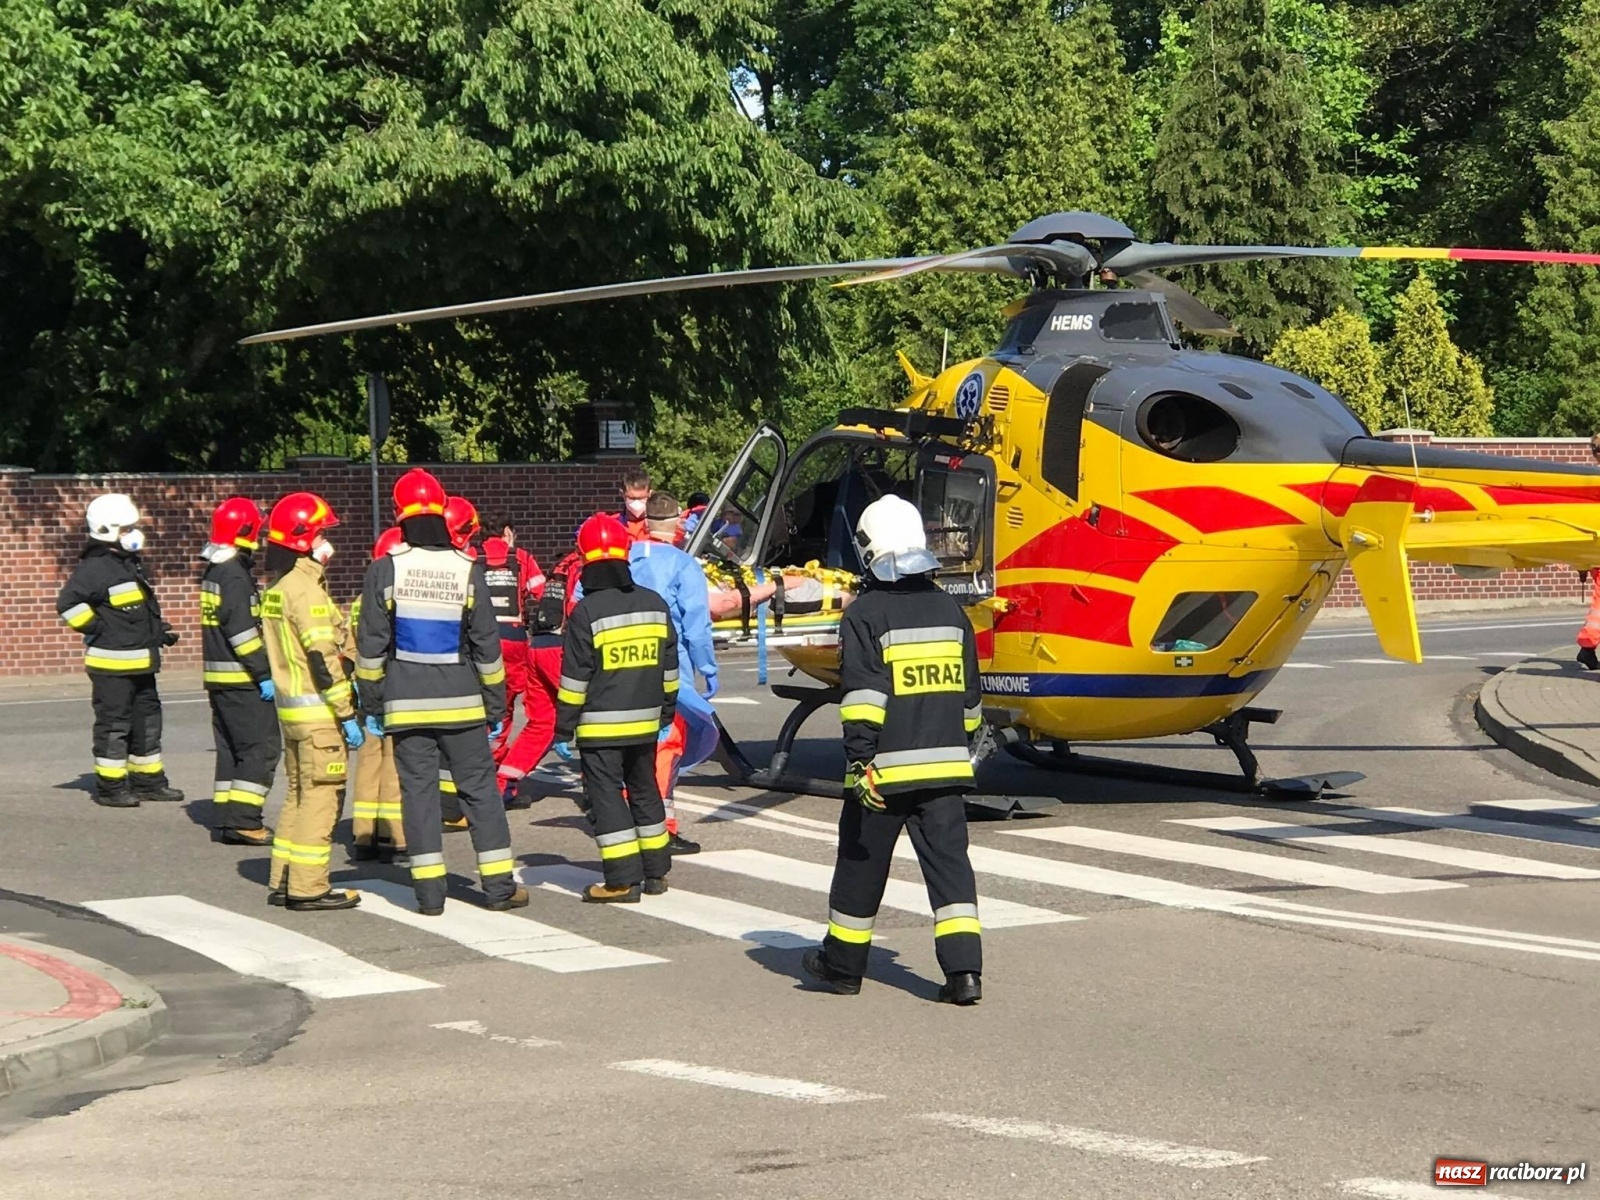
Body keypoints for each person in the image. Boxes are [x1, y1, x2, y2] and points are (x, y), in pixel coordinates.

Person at [802, 494, 984, 1006]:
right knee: (950, 870)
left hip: (883, 772)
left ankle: (843, 966)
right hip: (946, 770)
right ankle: (965, 974)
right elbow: (970, 699)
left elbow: (864, 698)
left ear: (870, 549)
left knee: (860, 866)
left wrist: (860, 760)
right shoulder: (950, 611)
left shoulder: (866, 614)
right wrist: (958, 743)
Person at [354, 468, 526, 917]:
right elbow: (487, 647)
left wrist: (371, 705)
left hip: (406, 706)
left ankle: (430, 896)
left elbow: (370, 649)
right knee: (480, 794)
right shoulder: (467, 570)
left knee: (419, 797)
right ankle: (499, 888)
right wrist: (494, 706)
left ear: (399, 514)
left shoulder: (384, 570)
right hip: (463, 704)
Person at [552, 513, 679, 903]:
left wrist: (563, 728)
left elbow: (575, 681)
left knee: (606, 796)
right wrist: (665, 713)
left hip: (600, 727)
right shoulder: (654, 604)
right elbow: (670, 670)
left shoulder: (586, 612)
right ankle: (655, 871)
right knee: (645, 789)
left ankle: (622, 880)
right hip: (645, 723)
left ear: (584, 559)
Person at [260, 492, 364, 912]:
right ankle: (308, 887)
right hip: (320, 716)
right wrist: (347, 713)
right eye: (322, 533)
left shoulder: (278, 588)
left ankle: (285, 879)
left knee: (299, 796)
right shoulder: (305, 592)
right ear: (304, 540)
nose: (327, 542)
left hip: (292, 715)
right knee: (322, 801)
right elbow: (322, 658)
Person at [56, 493, 183, 808]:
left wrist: (157, 632)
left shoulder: (127, 564)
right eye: (127, 528)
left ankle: (148, 782)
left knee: (147, 723)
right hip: (111, 667)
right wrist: (99, 628)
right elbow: (68, 605)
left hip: (142, 663)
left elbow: (132, 611)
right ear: (108, 530)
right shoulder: (96, 568)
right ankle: (111, 788)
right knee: (115, 726)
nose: (134, 533)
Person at [628, 491, 719, 854]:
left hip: (622, 665)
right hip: (667, 667)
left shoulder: (626, 558)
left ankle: (627, 816)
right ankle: (660, 829)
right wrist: (707, 669)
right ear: (679, 523)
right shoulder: (683, 565)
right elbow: (697, 625)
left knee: (632, 745)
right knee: (666, 744)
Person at [200, 497, 279, 845]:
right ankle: (244, 820)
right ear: (246, 532)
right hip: (242, 679)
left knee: (232, 750)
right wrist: (263, 673)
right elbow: (242, 632)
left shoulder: (216, 569)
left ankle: (226, 816)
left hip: (221, 679)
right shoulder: (234, 574)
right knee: (260, 748)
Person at [497, 539, 581, 799]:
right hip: (561, 649)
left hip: (539, 646)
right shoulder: (584, 567)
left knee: (543, 722)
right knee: (594, 712)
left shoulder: (563, 564)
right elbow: (580, 610)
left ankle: (503, 784)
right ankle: (605, 790)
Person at [349, 527, 408, 863]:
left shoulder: (360, 601)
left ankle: (364, 834)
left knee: (368, 765)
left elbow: (351, 645)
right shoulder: (397, 597)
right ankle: (393, 836)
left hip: (364, 687)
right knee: (393, 764)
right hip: (392, 688)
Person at [481, 513, 546, 808]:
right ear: (508, 532)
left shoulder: (471, 557)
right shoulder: (521, 558)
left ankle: (483, 775)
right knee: (507, 709)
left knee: (486, 709)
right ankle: (501, 783)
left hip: (480, 640)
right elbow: (542, 594)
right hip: (513, 639)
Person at [618, 469, 652, 542]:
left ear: (650, 494)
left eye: (642, 498)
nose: (637, 502)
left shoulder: (660, 527)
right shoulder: (613, 525)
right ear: (622, 494)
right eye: (632, 498)